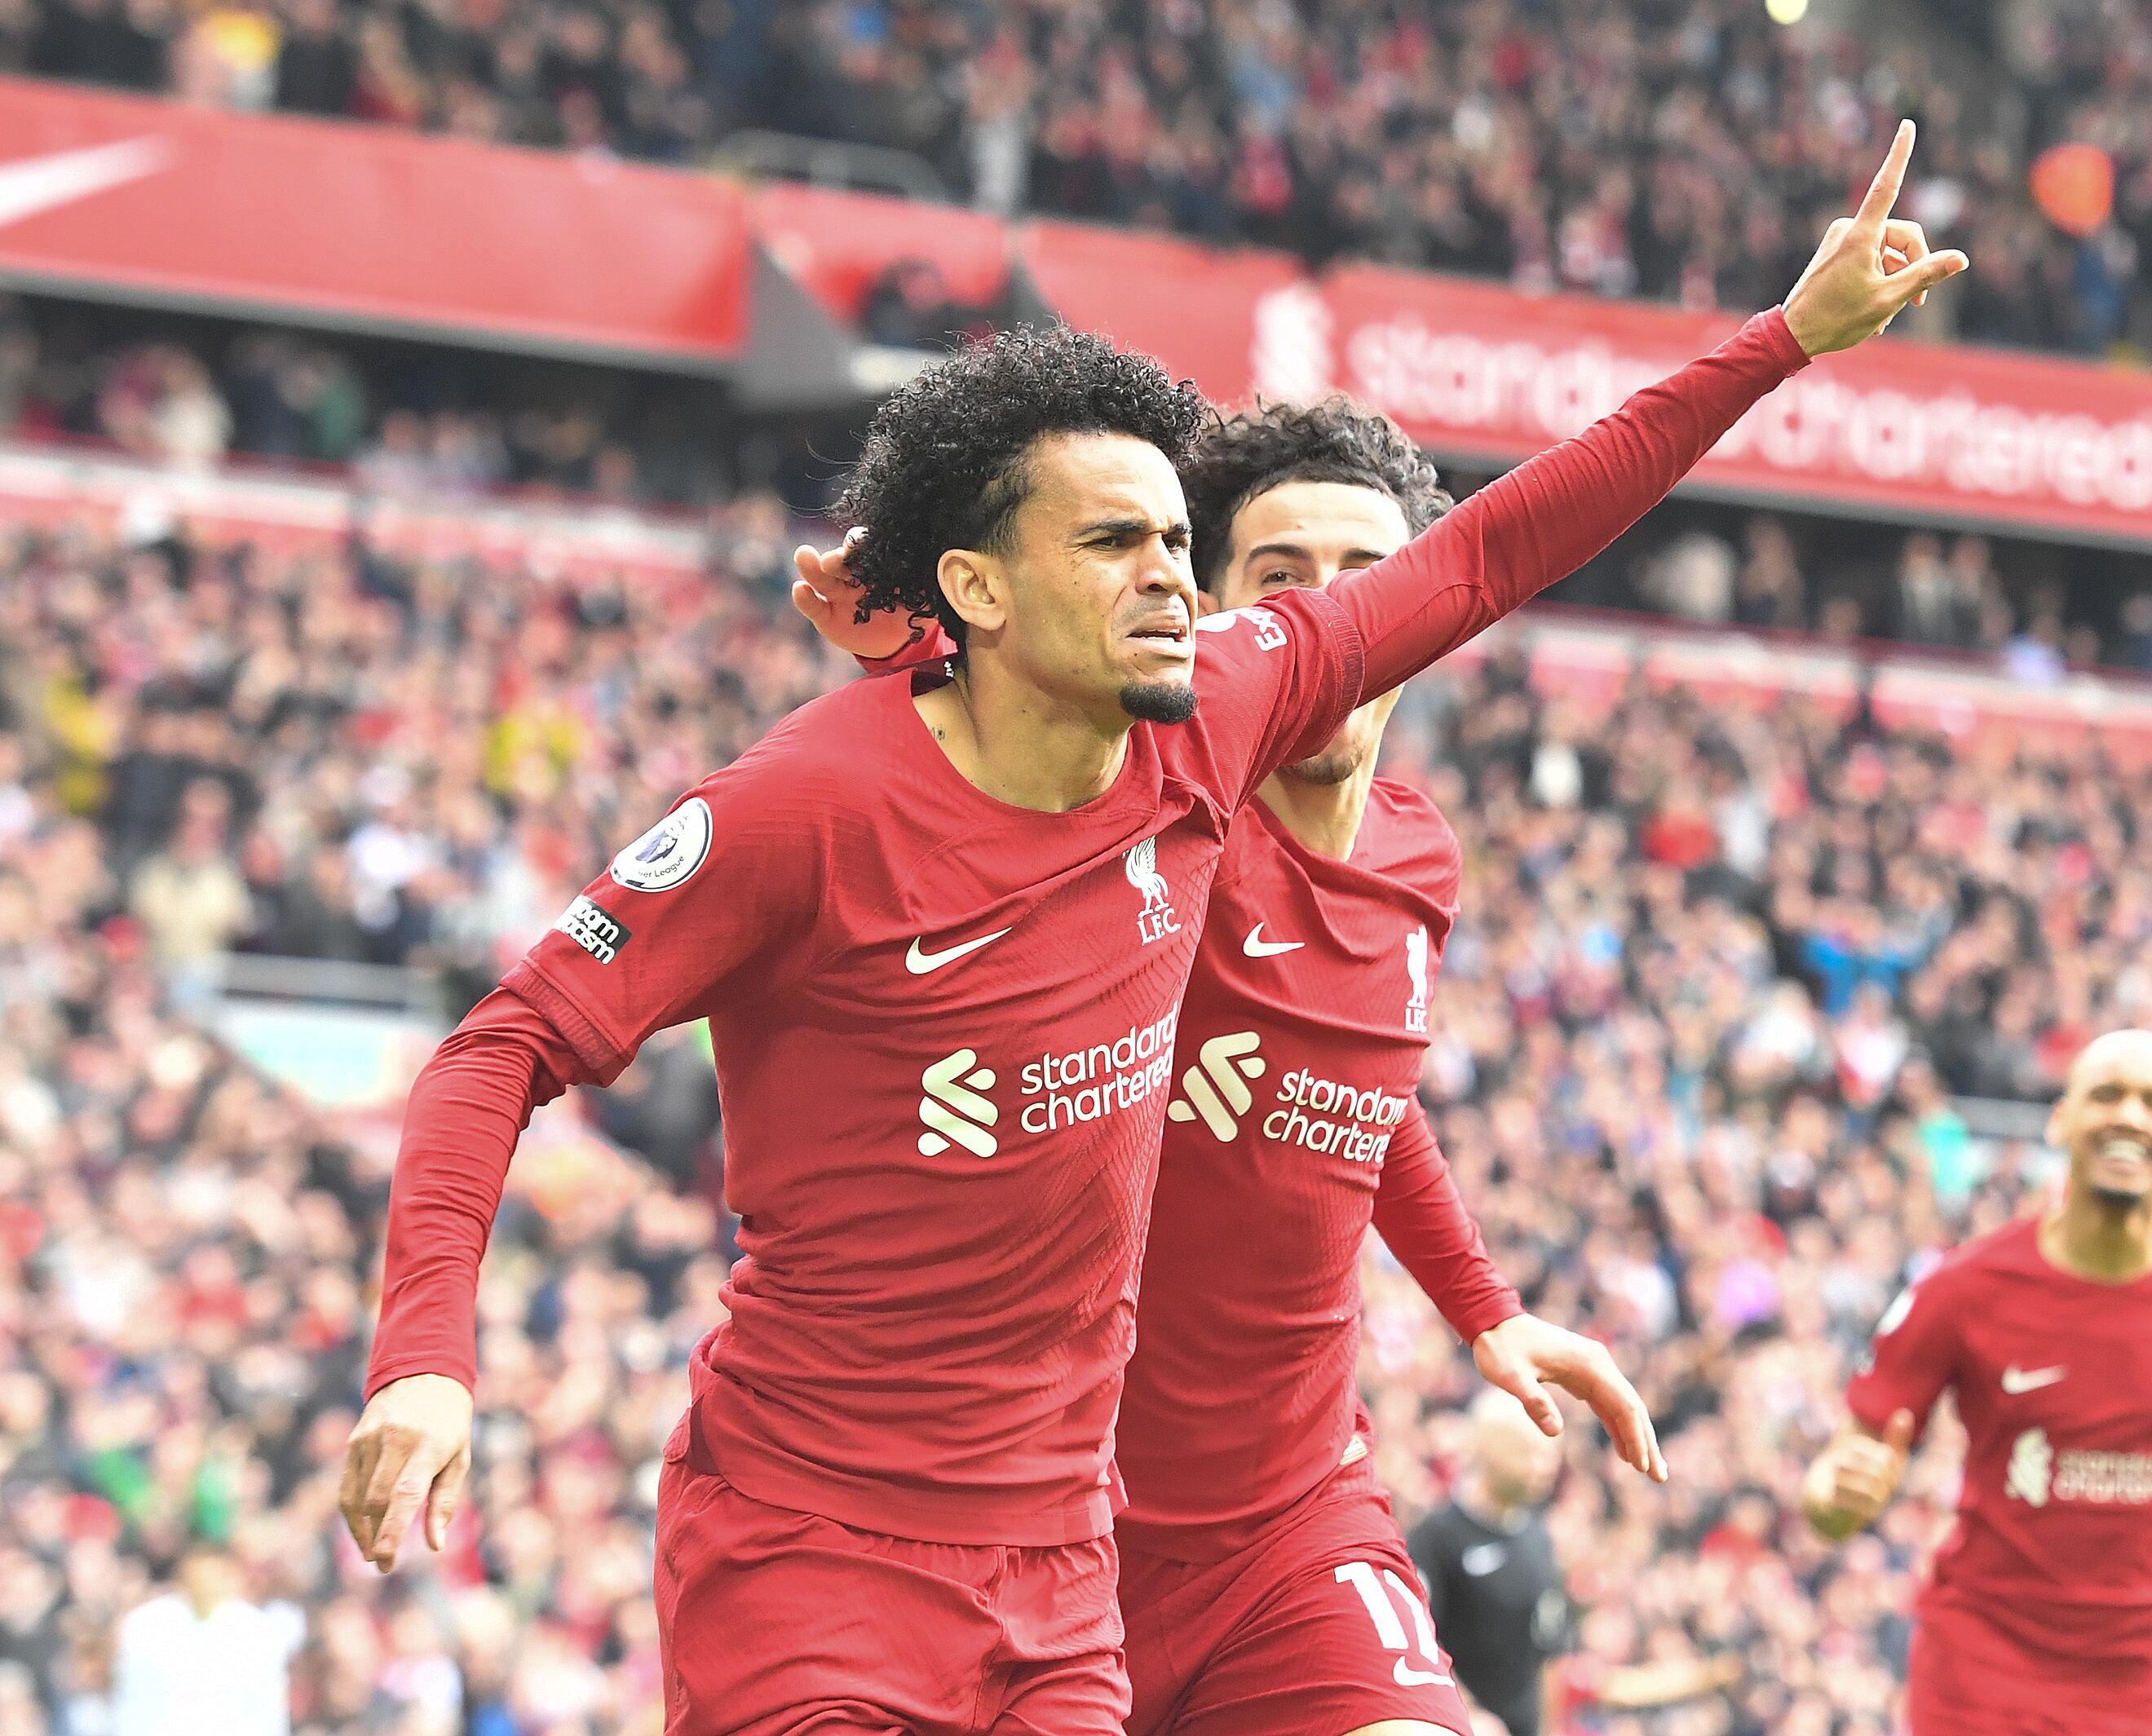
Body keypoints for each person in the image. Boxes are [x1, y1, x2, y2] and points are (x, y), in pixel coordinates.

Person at [345, 122, 1961, 1736]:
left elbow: (1488, 551)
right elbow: (502, 1043)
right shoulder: (805, 808)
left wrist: (1785, 339)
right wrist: (424, 1356)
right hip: (813, 1547)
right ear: (980, 590)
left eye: (1178, 542)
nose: (1175, 581)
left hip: (1065, 1574)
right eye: (1116, 543)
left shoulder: (1222, 722)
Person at [810, 397, 1662, 1736]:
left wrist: (1484, 1306)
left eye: (1370, 578)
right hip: (1034, 1538)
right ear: (1208, 614)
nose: (1335, 613)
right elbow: (982, 766)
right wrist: (915, 647)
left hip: (1287, 1529)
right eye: (1283, 577)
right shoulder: (1136, 806)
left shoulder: (1419, 854)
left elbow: (1361, 1088)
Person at [1799, 1029, 2152, 1736]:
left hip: (2134, 1687)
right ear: (2060, 1121)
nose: (2129, 1116)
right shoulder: (1965, 1288)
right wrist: (1835, 1503)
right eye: (2107, 1095)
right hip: (1977, 1672)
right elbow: (1839, 1474)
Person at [1408, 1390, 1572, 1736]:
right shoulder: (1435, 1539)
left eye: (1549, 1455)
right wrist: (1467, 1714)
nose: (1543, 1467)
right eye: (1528, 1453)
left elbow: (1550, 1650)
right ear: (1487, 1450)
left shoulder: (1539, 1540)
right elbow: (1417, 1642)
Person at [110, 1542, 303, 1736]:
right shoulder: (147, 1624)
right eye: (198, 1577)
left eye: (214, 1576)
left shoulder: (256, 1630)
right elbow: (133, 1697)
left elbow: (267, 1705)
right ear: (183, 1577)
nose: (206, 1585)